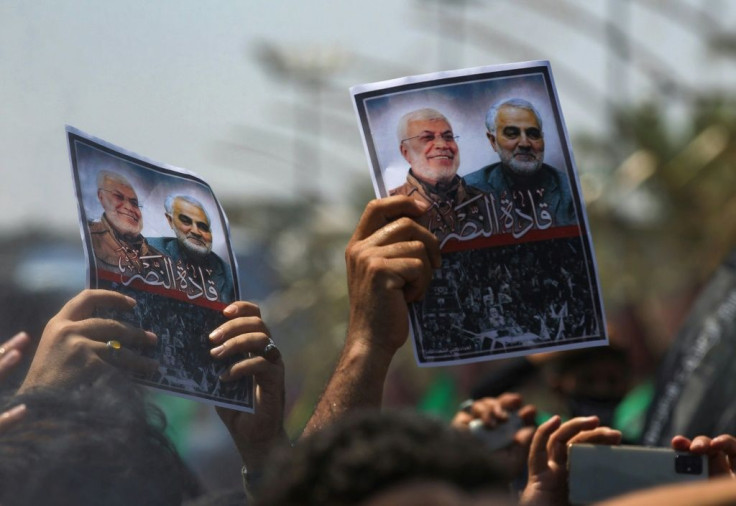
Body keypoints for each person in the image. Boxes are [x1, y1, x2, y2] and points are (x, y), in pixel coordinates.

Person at [464, 98, 577, 231]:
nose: (525, 143)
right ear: (493, 141)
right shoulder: (468, 192)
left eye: (533, 134)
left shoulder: (570, 190)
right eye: (512, 134)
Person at [390, 108, 489, 246]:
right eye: (427, 138)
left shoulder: (485, 200)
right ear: (406, 152)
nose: (442, 145)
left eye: (448, 137)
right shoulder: (392, 207)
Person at [148, 195, 235, 303]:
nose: (196, 232)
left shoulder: (228, 275)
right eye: (186, 221)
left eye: (203, 227)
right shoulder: (148, 248)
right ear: (170, 220)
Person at [88, 170, 163, 276]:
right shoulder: (88, 239)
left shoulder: (159, 258)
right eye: (118, 197)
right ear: (102, 197)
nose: (129, 207)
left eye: (134, 203)